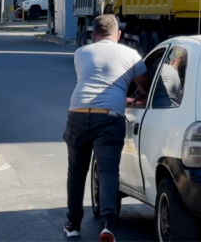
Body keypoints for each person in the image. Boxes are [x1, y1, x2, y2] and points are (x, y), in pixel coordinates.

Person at [64, 15, 151, 242]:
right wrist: (130, 98)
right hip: (109, 117)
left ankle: (73, 224)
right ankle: (107, 224)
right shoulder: (130, 55)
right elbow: (145, 86)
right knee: (108, 172)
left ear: (93, 35)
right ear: (119, 35)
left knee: (76, 171)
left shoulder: (81, 53)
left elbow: (94, 81)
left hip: (78, 113)